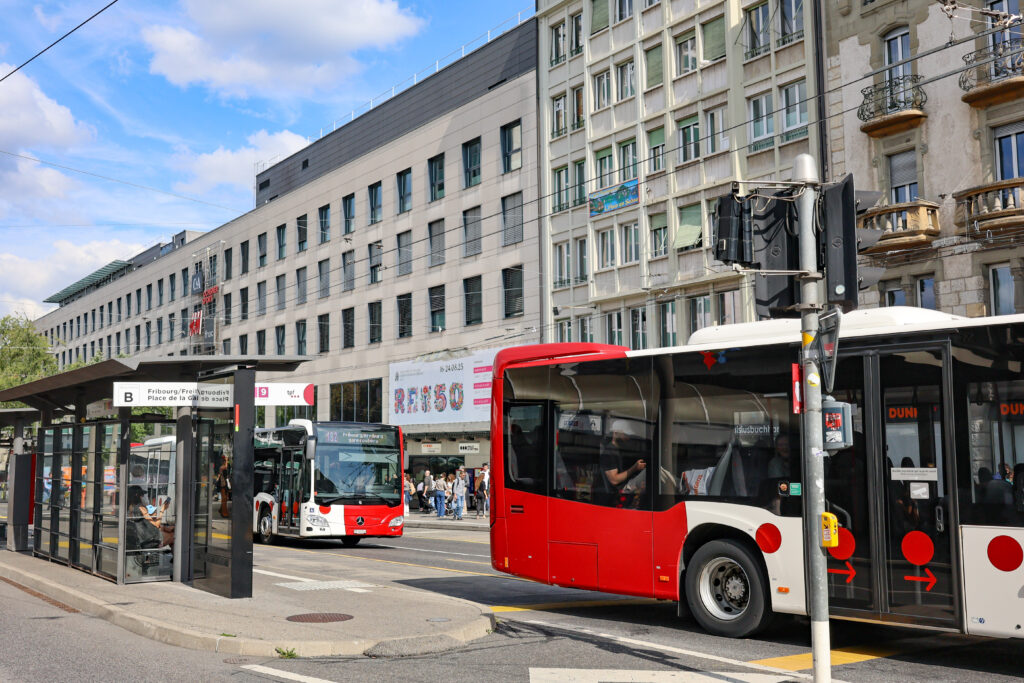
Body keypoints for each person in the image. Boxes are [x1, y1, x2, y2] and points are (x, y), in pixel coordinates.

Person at [600, 420, 646, 505]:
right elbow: (614, 480)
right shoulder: (609, 452)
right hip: (620, 490)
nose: (627, 437)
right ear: (616, 433)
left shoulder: (619, 449)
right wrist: (635, 468)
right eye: (625, 434)